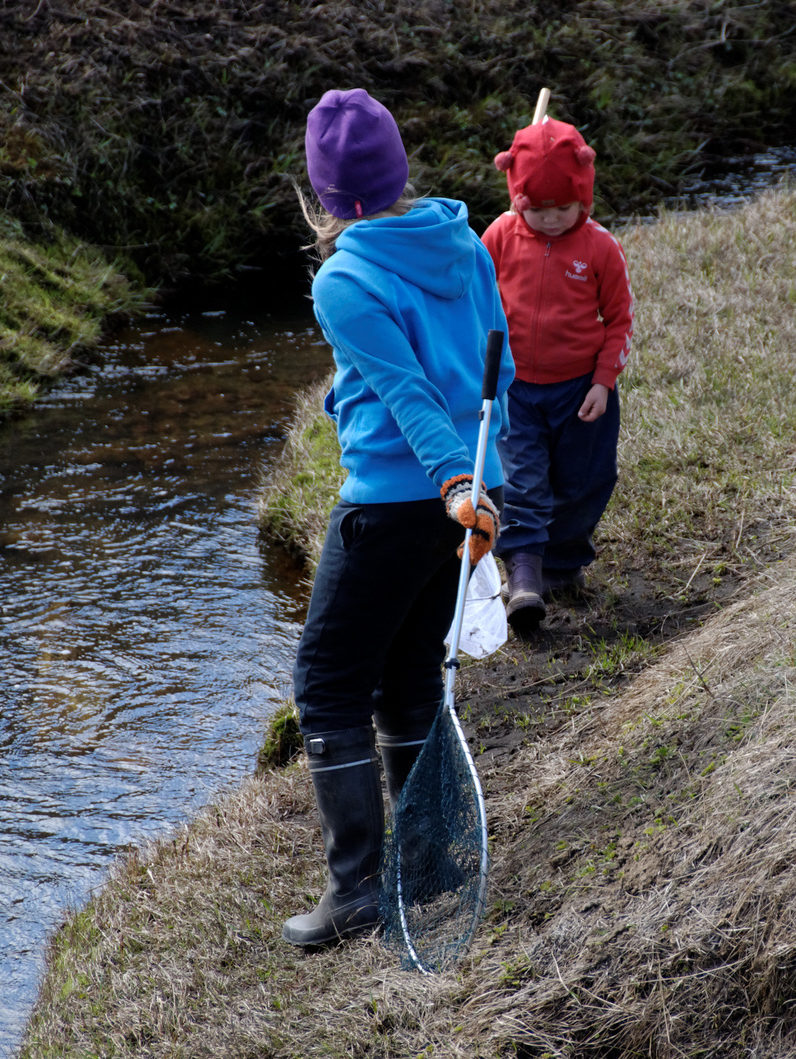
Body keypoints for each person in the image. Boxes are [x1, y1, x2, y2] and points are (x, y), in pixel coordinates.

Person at [284, 88, 513, 947]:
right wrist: (483, 477)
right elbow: (502, 369)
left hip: (395, 505)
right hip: (461, 506)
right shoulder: (460, 237)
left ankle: (354, 897)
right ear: (401, 169)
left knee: (329, 685)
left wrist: (455, 475)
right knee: (411, 676)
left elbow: (411, 395)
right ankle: (426, 865)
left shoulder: (342, 279)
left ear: (321, 196)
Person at [482, 116, 633, 631]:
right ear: (517, 197)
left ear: (584, 197)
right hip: (515, 388)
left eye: (563, 208)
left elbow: (619, 321)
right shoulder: (500, 236)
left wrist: (602, 381)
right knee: (522, 481)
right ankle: (524, 574)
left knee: (585, 480)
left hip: (580, 391)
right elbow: (478, 304)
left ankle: (563, 566)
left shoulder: (599, 246)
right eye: (537, 209)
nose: (550, 220)